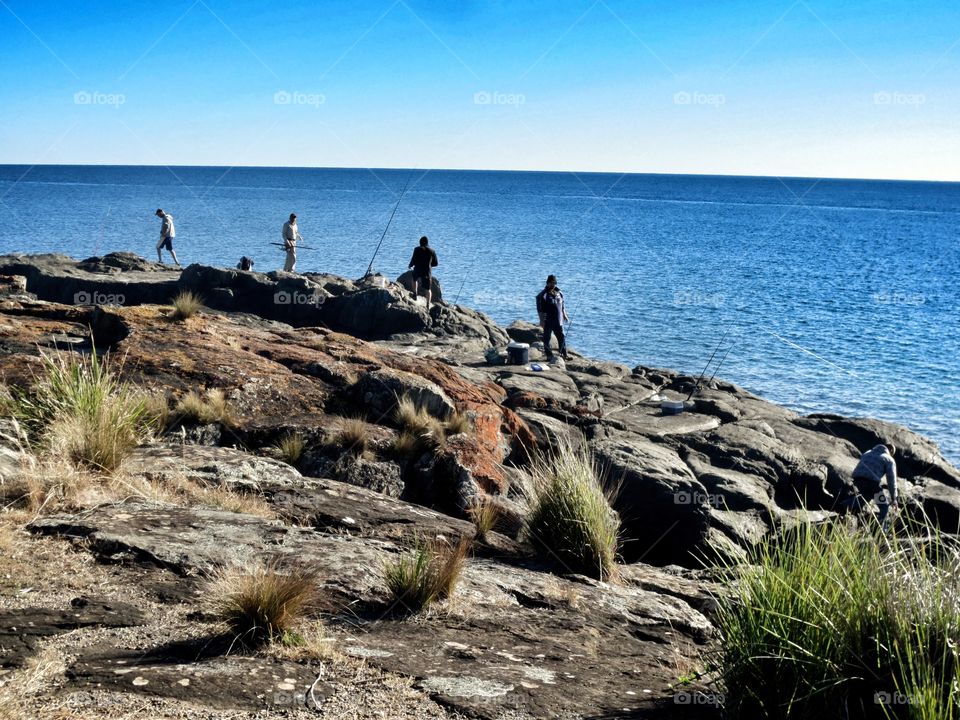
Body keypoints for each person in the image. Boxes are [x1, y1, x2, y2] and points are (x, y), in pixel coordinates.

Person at [838, 443, 899, 526]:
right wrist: (894, 498)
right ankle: (880, 529)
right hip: (872, 484)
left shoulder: (868, 453)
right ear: (891, 451)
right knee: (884, 507)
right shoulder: (889, 459)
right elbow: (891, 480)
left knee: (865, 497)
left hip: (857, 480)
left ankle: (843, 506)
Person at [536, 274, 569, 361]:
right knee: (547, 338)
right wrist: (541, 320)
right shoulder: (543, 294)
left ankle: (564, 354)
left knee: (561, 337)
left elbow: (562, 305)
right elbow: (539, 309)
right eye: (551, 283)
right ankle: (549, 355)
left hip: (558, 320)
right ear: (547, 283)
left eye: (554, 283)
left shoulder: (560, 293)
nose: (553, 284)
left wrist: (564, 314)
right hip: (548, 320)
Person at [408, 235, 438, 306]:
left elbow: (413, 259)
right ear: (427, 243)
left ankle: (415, 294)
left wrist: (410, 265)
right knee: (428, 289)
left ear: (420, 242)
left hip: (418, 269)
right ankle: (428, 304)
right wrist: (429, 265)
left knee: (414, 279)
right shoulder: (432, 251)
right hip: (427, 271)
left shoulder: (417, 249)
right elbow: (436, 263)